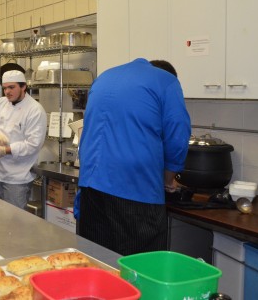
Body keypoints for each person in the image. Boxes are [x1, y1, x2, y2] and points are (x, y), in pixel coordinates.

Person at [77, 58, 191, 255]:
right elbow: (178, 135)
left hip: (91, 186)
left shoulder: (105, 76)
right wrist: (168, 179)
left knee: (98, 260)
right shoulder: (167, 81)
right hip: (134, 190)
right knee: (140, 267)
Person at [0, 70, 47, 210]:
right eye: (5, 88)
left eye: (11, 87)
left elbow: (33, 144)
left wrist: (5, 150)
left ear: (23, 87)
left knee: (14, 221)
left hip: (18, 176)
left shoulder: (35, 110)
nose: (7, 92)